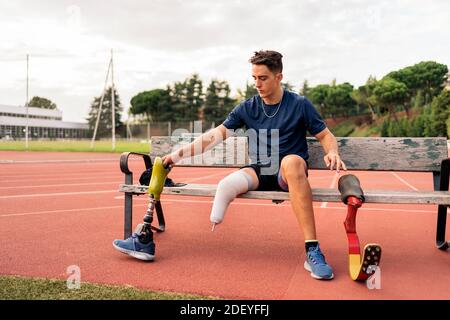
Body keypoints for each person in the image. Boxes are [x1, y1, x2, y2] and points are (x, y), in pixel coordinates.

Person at [114, 50, 346, 280]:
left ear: (279, 77)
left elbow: (325, 135)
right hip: (260, 171)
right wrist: (176, 155)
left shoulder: (299, 104)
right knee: (227, 184)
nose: (257, 83)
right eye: (254, 78)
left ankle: (312, 250)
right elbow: (215, 135)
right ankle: (143, 238)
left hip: (287, 173)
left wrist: (332, 152)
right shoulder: (248, 107)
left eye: (263, 78)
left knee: (293, 161)